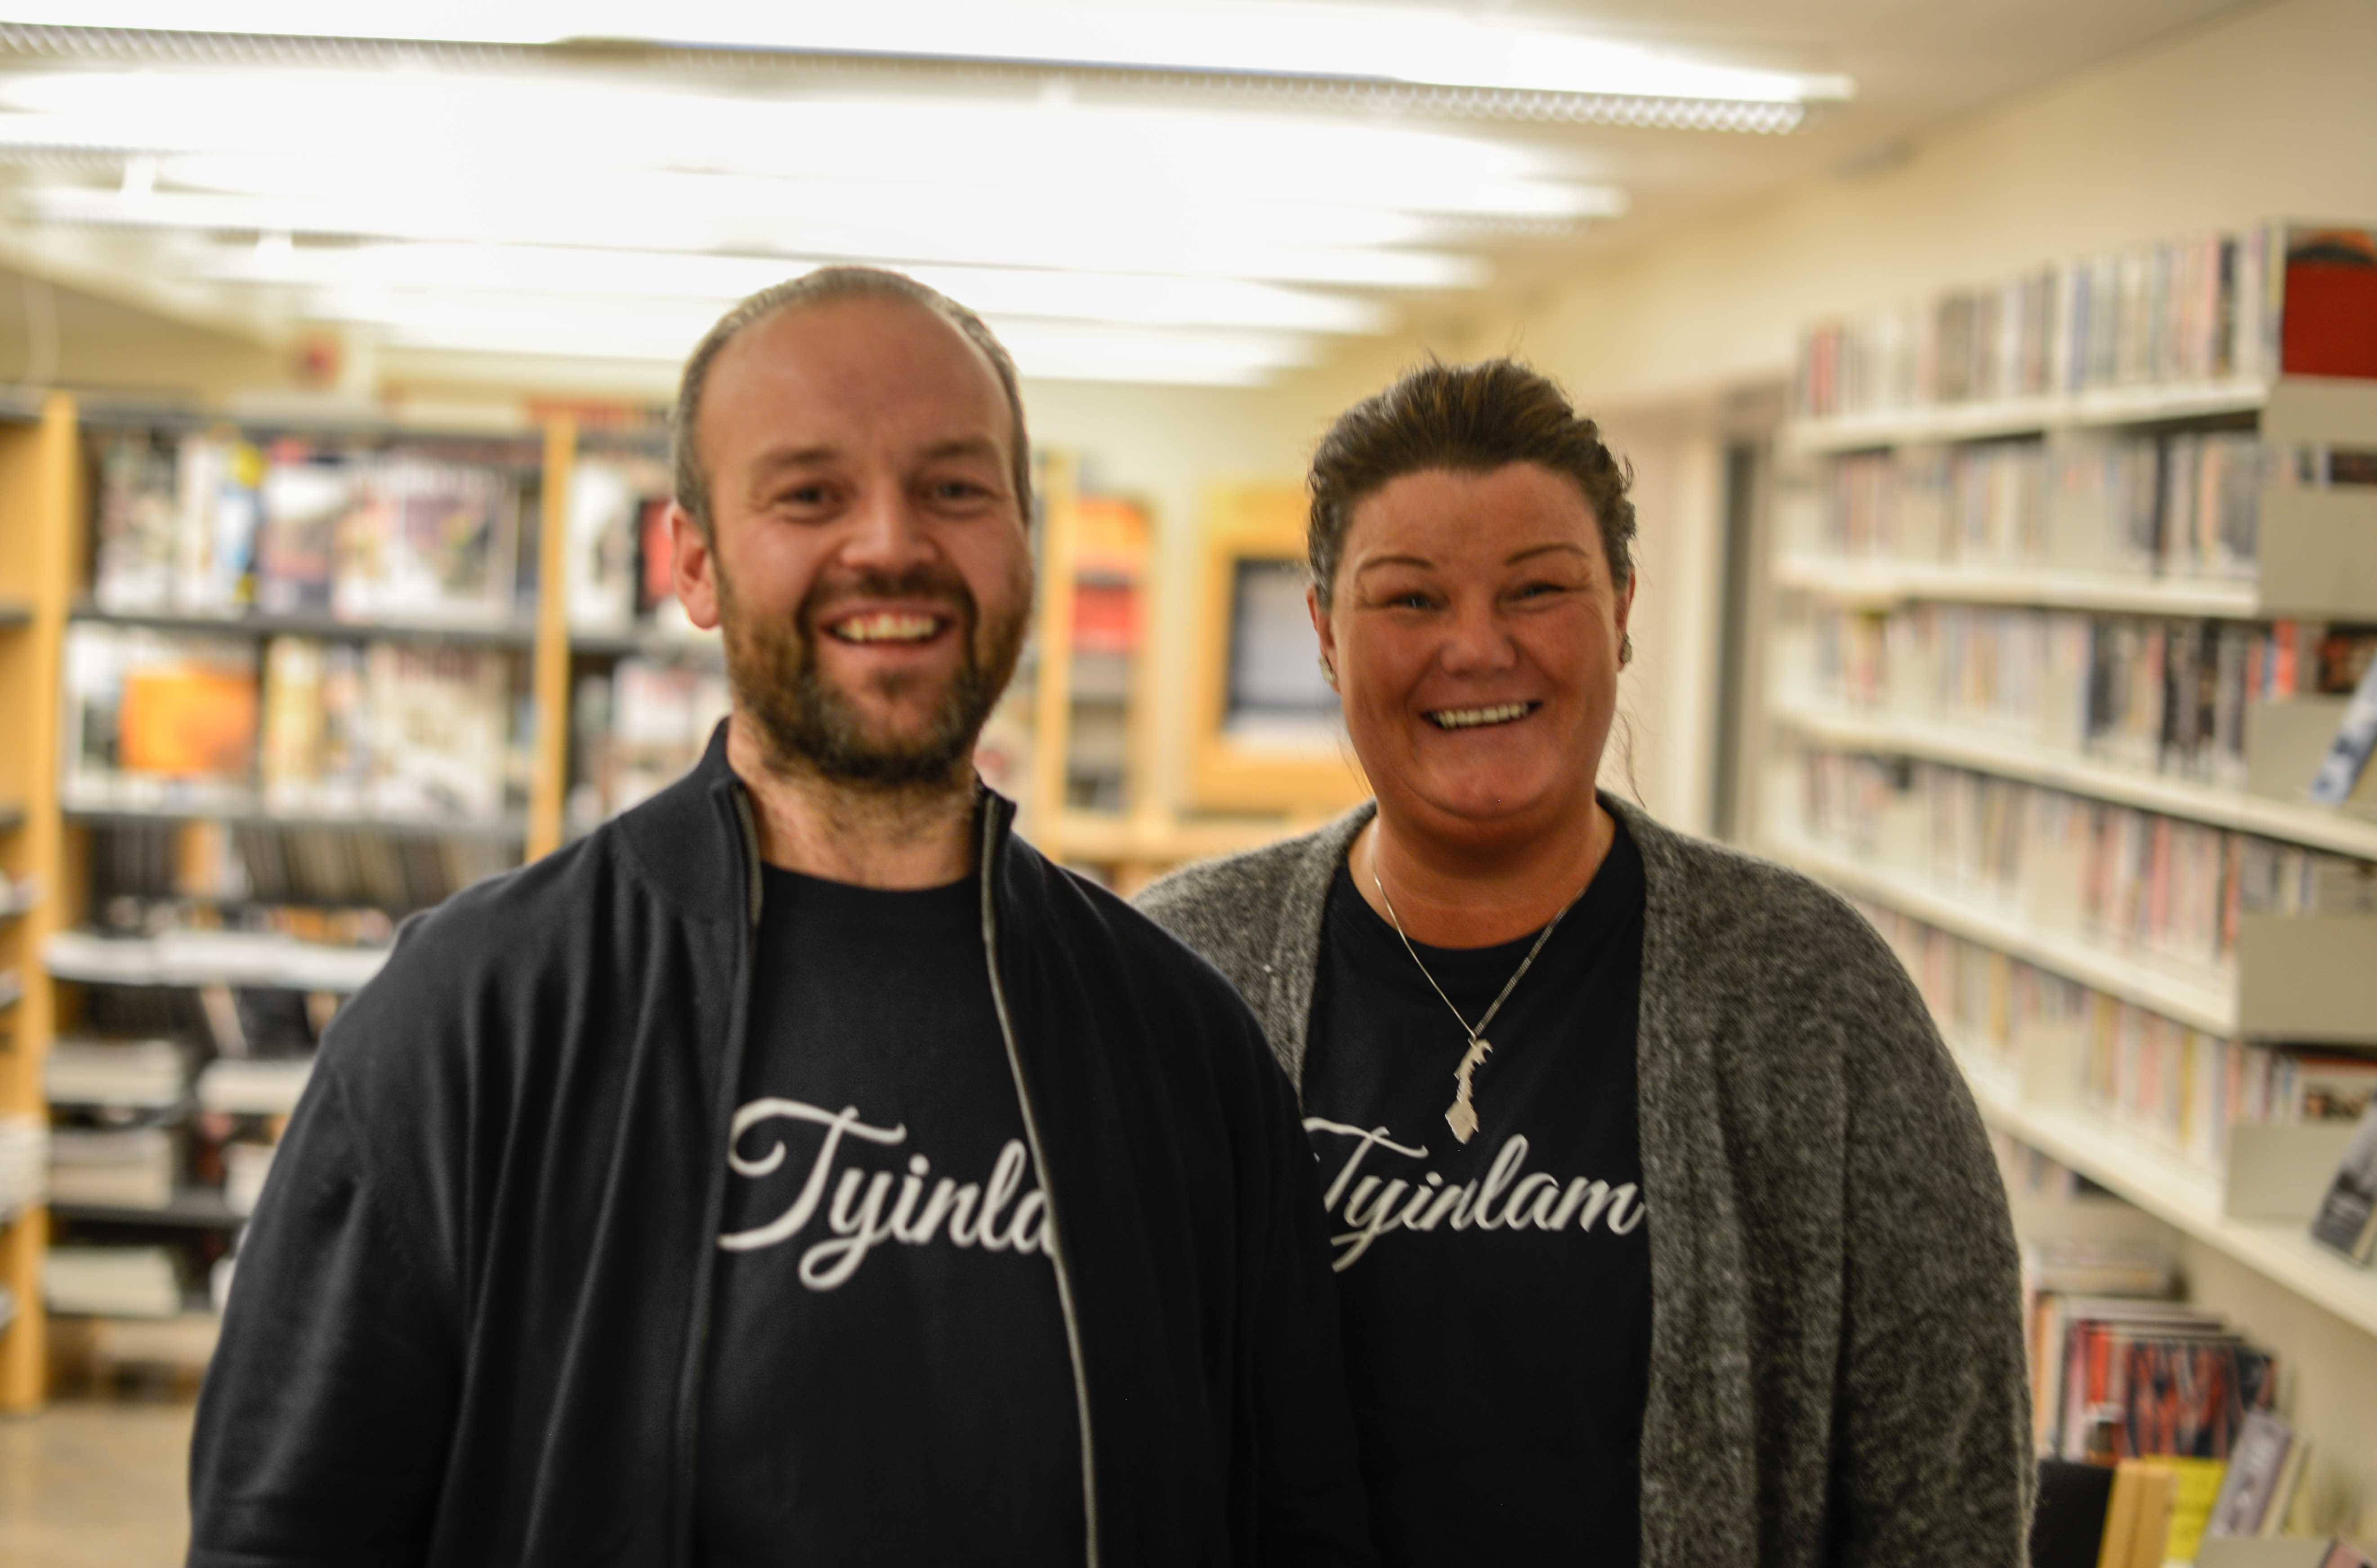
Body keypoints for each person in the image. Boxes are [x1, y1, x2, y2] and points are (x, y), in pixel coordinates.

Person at [190, 268, 1375, 1568]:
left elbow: (1297, 1525)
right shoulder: (477, 1021)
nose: (890, 544)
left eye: (955, 489)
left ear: (1025, 540)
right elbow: (281, 1534)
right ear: (694, 562)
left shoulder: (1179, 1048)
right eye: (810, 494)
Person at [1138, 359, 2032, 1567]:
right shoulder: (1182, 977)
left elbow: (1948, 1489)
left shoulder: (1810, 993)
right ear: (1326, 636)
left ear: (1619, 608)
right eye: (1410, 599)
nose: (1476, 647)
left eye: (1537, 589)